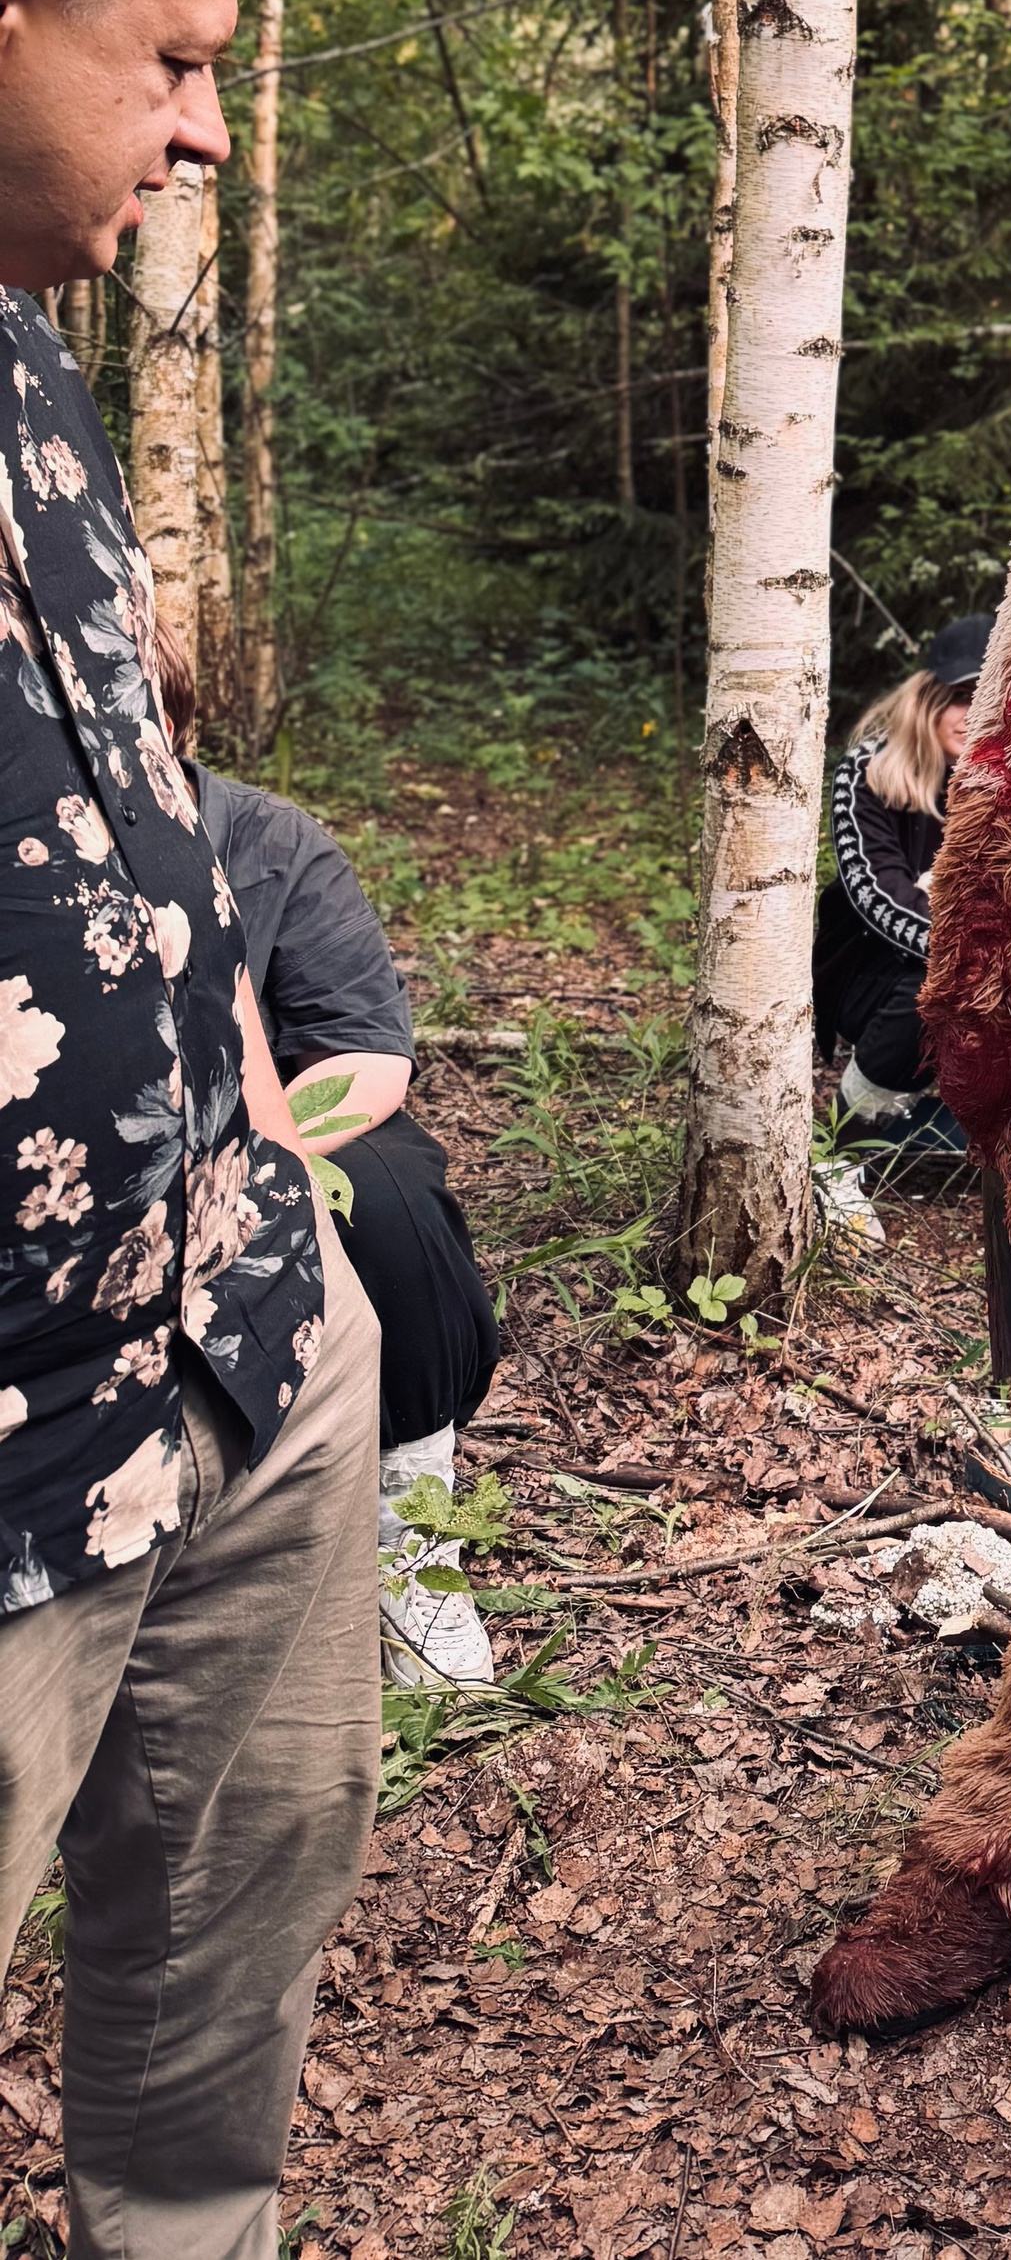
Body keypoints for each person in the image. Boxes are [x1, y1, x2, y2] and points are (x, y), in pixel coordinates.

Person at [0, 0, 381, 2249]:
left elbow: (120, 797)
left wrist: (259, 1065)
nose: (208, 122)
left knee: (200, 2058)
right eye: (176, 56)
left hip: (238, 1342)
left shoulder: (35, 354)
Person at [151, 629, 502, 1684]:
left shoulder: (266, 841)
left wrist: (250, 1157)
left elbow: (361, 1047)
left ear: (182, 727)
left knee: (394, 1197)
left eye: (141, 723)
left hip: (268, 1123)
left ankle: (414, 1542)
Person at [813, 614, 990, 1177]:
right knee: (934, 986)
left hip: (979, 967)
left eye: (989, 697)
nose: (974, 715)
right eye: (960, 697)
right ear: (928, 697)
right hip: (870, 974)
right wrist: (977, 946)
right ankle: (838, 1158)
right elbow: (879, 899)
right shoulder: (869, 772)